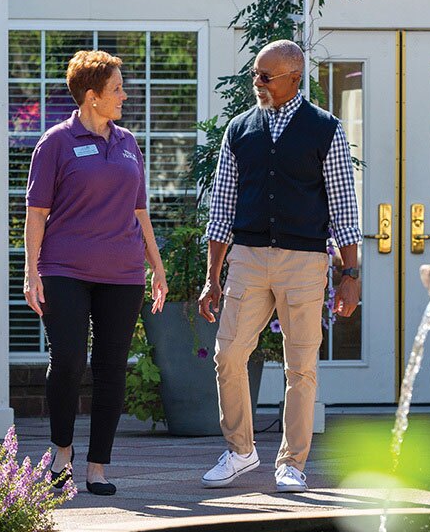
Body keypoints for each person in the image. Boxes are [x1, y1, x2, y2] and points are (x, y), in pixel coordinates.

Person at [198, 40, 362, 493]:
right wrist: (212, 276)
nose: (257, 83)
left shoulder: (325, 129)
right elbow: (223, 207)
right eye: (255, 74)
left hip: (305, 261)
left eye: (266, 76)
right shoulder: (239, 129)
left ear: (294, 78)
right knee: (228, 354)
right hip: (247, 259)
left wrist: (349, 274)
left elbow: (344, 207)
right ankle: (240, 451)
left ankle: (291, 461)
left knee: (301, 366)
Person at [23, 50, 168, 496]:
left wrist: (157, 269)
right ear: (92, 96)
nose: (125, 95)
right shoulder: (56, 143)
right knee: (68, 360)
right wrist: (31, 272)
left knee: (112, 368)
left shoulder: (127, 142)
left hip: (122, 273)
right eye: (117, 89)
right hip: (64, 268)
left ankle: (97, 467)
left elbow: (140, 211)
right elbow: (36, 213)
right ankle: (62, 452)